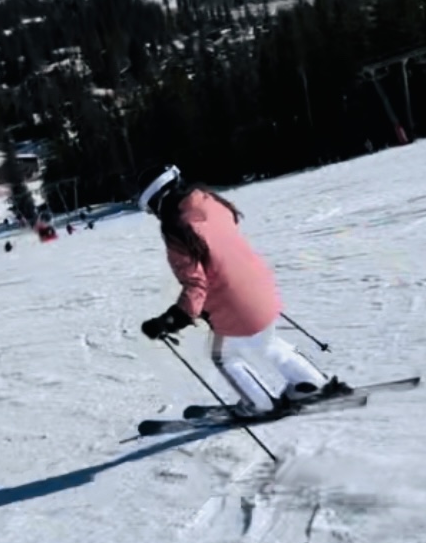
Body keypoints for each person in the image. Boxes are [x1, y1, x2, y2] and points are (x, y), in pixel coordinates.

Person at [138, 165, 343, 415]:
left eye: (151, 209)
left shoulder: (177, 229)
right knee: (266, 342)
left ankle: (259, 404)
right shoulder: (210, 201)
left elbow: (196, 285)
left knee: (224, 355)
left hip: (235, 301)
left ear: (158, 199)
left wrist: (169, 321)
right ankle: (310, 383)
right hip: (260, 285)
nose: (154, 215)